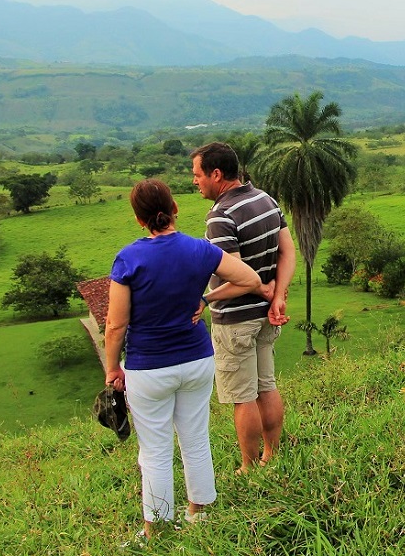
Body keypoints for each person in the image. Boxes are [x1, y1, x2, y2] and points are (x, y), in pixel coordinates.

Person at [104, 179, 264, 541]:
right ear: (174, 208)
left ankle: (156, 529)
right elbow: (250, 278)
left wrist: (113, 368)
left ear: (138, 219)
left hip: (148, 365)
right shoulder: (199, 249)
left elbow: (115, 324)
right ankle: (199, 512)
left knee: (156, 450)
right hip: (195, 360)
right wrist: (207, 300)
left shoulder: (129, 258)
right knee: (195, 439)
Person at [191, 142, 296, 472]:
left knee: (243, 395)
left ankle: (249, 466)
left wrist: (206, 299)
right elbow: (287, 253)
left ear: (217, 174)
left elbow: (241, 278)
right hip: (266, 316)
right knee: (266, 385)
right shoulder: (265, 199)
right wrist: (277, 296)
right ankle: (272, 455)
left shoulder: (220, 217)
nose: (195, 181)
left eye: (198, 175)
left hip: (236, 320)